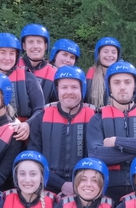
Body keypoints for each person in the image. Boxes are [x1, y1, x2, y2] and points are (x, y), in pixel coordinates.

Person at [86, 61, 136, 202]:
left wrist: (117, 142)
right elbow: (96, 154)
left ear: (135, 85)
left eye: (127, 82)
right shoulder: (97, 118)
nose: (122, 87)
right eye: (116, 82)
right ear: (109, 86)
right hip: (108, 190)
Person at [27, 65, 96, 196]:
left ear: (82, 89)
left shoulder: (94, 117)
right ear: (57, 89)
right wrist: (61, 185)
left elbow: (97, 158)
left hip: (84, 187)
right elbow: (34, 159)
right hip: (48, 185)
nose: (69, 92)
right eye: (64, 87)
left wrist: (78, 184)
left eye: (74, 87)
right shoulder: (42, 117)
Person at [0, 32, 45, 120]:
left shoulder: (28, 77)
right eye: (3, 52)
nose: (7, 58)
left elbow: (40, 109)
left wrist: (27, 125)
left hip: (24, 130)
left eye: (12, 53)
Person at [85, 36, 121, 107]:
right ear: (98, 54)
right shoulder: (91, 74)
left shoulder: (122, 75)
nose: (110, 55)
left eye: (113, 52)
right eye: (105, 51)